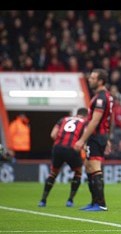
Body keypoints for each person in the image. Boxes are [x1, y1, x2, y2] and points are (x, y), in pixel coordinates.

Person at [74, 69, 113, 212]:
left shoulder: (101, 98)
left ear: (100, 81)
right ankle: (94, 202)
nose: (90, 80)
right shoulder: (105, 96)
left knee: (95, 167)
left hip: (96, 136)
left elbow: (95, 121)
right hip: (99, 136)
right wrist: (107, 137)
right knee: (89, 167)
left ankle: (101, 204)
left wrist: (81, 140)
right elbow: (110, 118)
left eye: (93, 78)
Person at [38, 108, 88, 207]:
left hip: (58, 148)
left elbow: (53, 135)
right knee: (78, 172)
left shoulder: (63, 119)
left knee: (53, 173)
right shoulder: (85, 122)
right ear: (86, 115)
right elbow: (85, 138)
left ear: (76, 114)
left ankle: (43, 200)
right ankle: (70, 200)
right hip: (72, 149)